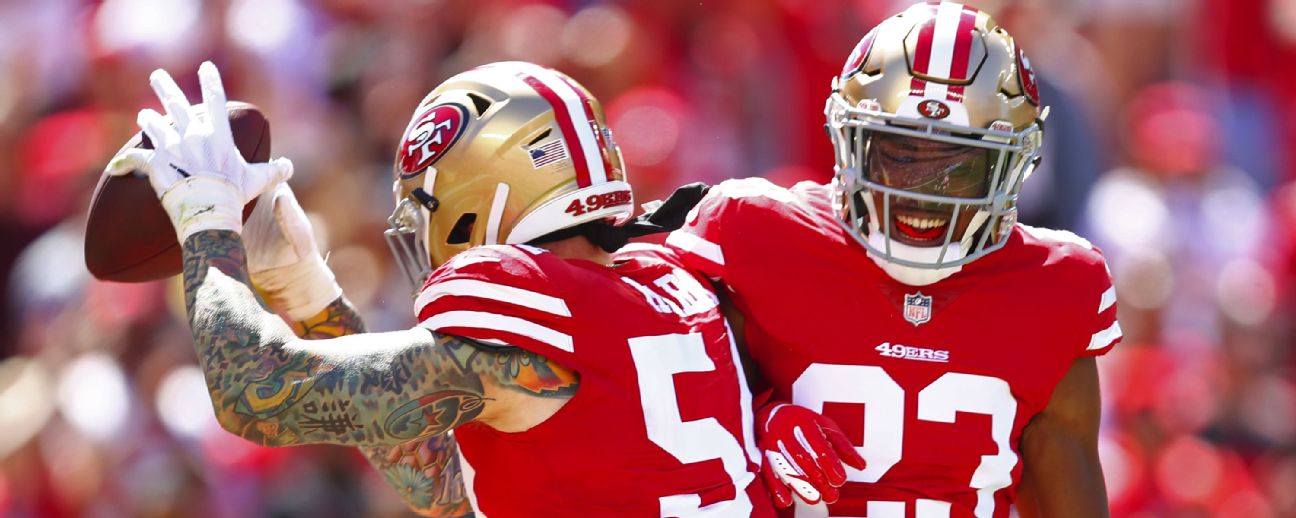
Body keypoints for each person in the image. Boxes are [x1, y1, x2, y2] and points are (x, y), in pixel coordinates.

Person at [109, 60, 774, 517]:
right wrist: (309, 294)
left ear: (479, 196)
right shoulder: (673, 289)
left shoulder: (532, 304)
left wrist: (206, 221)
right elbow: (451, 488)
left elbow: (256, 392)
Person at [664, 3, 1119, 517]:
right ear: (847, 138)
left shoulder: (1056, 284)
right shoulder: (754, 233)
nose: (923, 195)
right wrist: (751, 419)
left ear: (1014, 163)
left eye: (958, 166)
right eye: (899, 154)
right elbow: (649, 406)